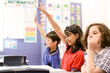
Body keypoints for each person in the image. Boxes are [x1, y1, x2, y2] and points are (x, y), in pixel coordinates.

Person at [38, 3, 85, 72]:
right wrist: (47, 14)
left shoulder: (79, 54)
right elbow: (58, 30)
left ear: (77, 36)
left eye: (68, 36)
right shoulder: (69, 47)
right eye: (65, 36)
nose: (66, 39)